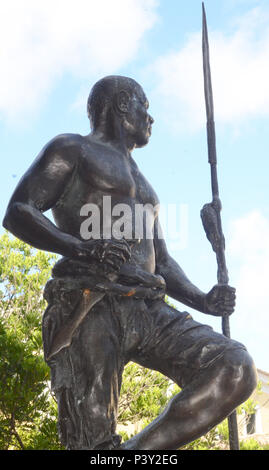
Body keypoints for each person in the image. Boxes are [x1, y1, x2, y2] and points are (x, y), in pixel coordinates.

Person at [3, 75, 257, 450]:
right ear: (123, 104)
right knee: (90, 441)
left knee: (234, 367)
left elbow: (164, 264)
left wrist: (204, 300)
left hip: (149, 308)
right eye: (145, 107)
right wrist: (81, 247)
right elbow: (18, 211)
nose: (150, 119)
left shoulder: (145, 185)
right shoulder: (72, 149)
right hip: (91, 299)